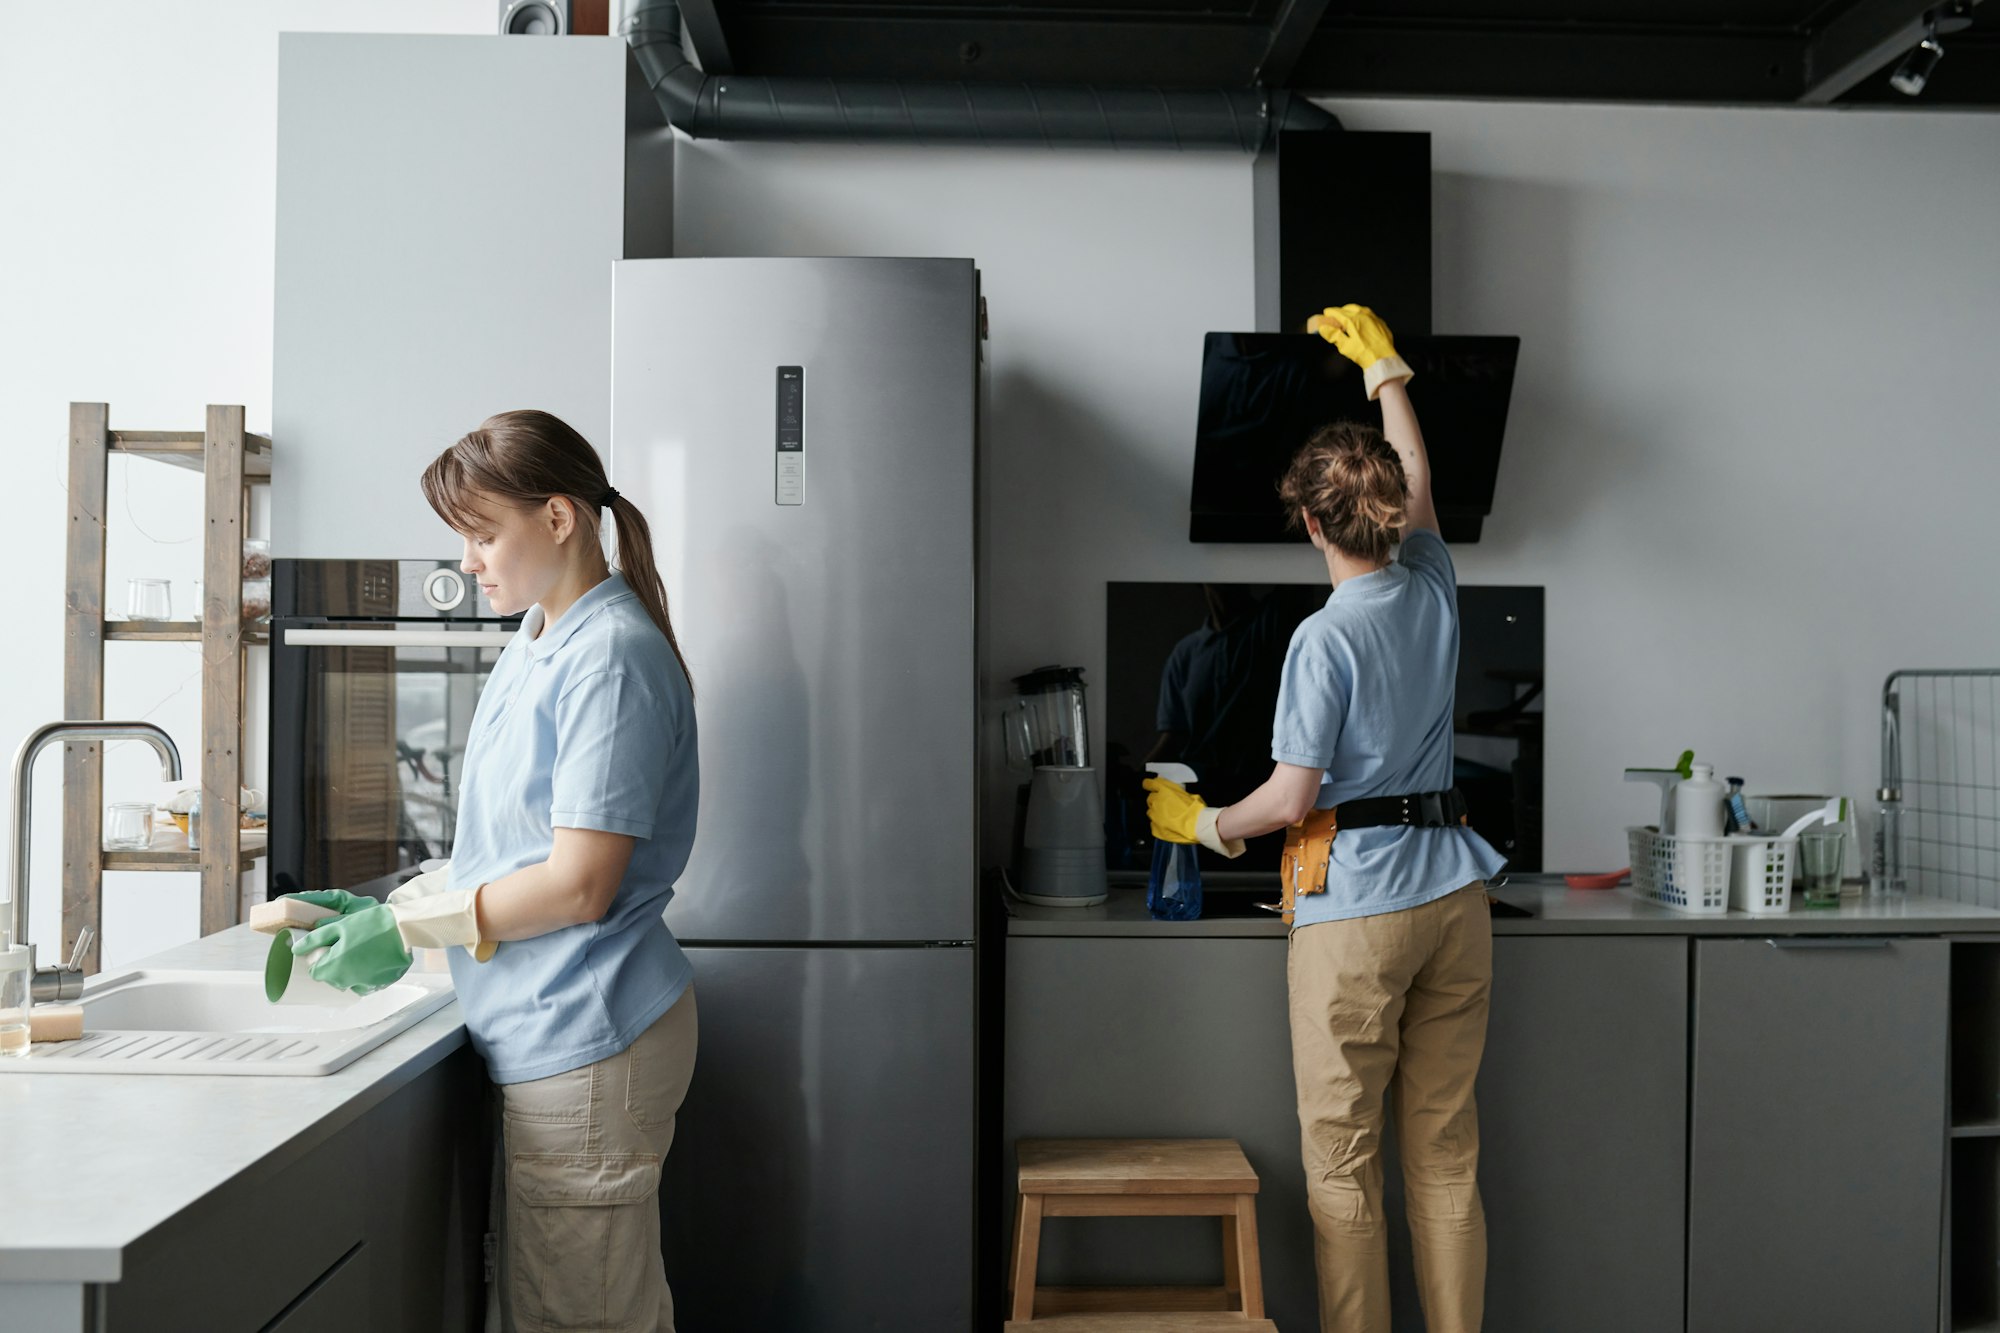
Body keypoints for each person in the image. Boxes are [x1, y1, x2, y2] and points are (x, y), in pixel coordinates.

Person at [289, 409, 700, 1332]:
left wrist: (408, 930)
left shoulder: (611, 657)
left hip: (589, 1036)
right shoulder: (539, 638)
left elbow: (578, 883)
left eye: (482, 535)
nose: (470, 562)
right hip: (546, 1027)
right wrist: (390, 902)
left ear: (557, 518)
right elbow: (507, 850)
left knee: (582, 1318)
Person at [1145, 305, 1505, 1333]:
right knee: (1444, 1155)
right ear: (1389, 516)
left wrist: (1199, 823)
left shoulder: (1320, 638)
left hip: (1356, 912)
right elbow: (1420, 483)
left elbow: (1290, 800)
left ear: (1307, 523)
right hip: (1455, 900)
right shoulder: (1431, 584)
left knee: (1343, 1164)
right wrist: (1387, 374)